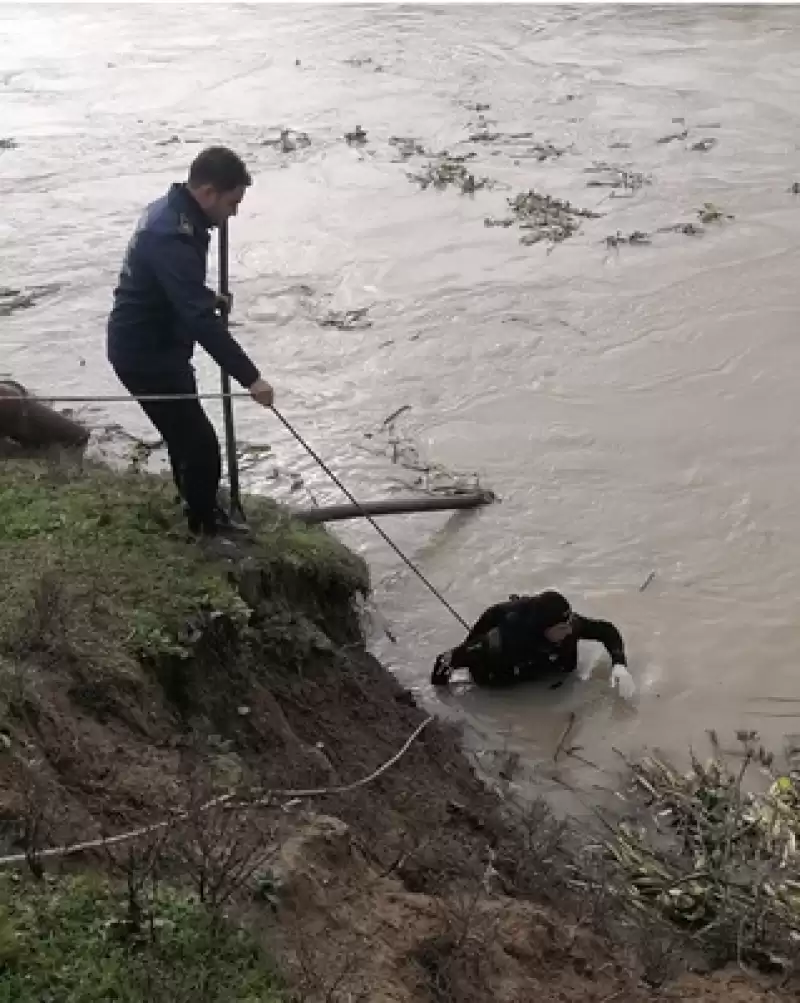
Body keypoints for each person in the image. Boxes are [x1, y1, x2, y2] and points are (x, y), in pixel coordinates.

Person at [106, 146, 274, 539]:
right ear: (209, 193)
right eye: (232, 203)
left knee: (185, 438)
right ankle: (206, 529)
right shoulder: (172, 234)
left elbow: (175, 290)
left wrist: (204, 298)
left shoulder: (175, 213)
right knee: (199, 446)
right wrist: (252, 379)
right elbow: (200, 321)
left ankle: (199, 511)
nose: (233, 213)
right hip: (146, 355)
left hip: (160, 345)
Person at [431, 589, 636, 698]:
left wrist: (619, 664)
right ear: (544, 627)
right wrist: (445, 701)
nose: (569, 630)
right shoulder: (502, 639)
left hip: (549, 673)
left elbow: (606, 630)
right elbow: (445, 661)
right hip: (505, 673)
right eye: (561, 627)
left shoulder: (570, 624)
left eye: (569, 623)